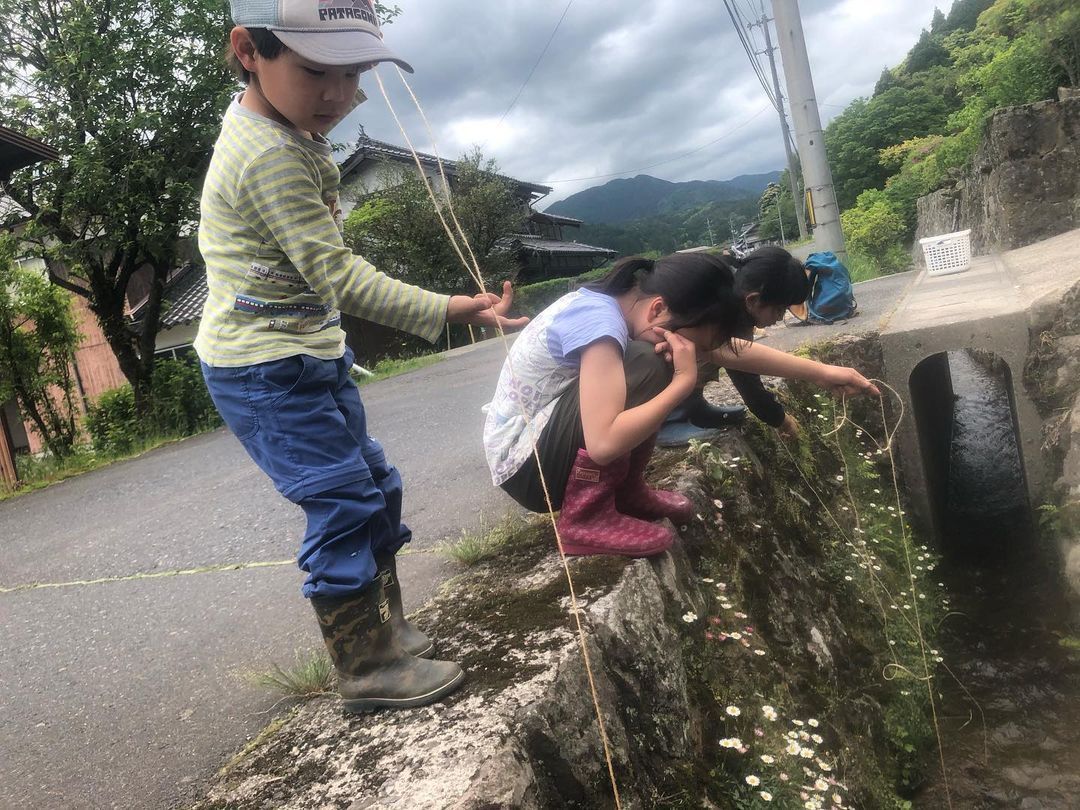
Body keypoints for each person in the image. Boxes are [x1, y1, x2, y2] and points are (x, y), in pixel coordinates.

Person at [197, 1, 526, 714]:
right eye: (316, 71)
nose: (339, 96)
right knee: (344, 499)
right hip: (262, 368)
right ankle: (366, 667)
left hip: (309, 353)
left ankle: (388, 628)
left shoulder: (286, 127)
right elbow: (336, 275)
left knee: (377, 483)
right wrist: (445, 308)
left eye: (353, 74)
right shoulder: (268, 156)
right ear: (248, 49)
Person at [484, 253, 879, 558]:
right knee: (652, 359)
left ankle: (625, 493)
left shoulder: (629, 308)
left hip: (543, 448)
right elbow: (603, 443)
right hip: (527, 468)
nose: (695, 350)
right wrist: (683, 383)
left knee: (661, 354)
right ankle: (585, 517)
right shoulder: (601, 325)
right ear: (658, 308)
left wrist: (823, 373)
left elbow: (724, 351)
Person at [657, 246, 810, 446]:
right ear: (753, 300)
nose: (781, 318)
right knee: (712, 350)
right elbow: (749, 385)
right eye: (779, 309)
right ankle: (668, 418)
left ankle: (693, 406)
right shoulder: (726, 317)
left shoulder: (732, 293)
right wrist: (781, 420)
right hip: (647, 362)